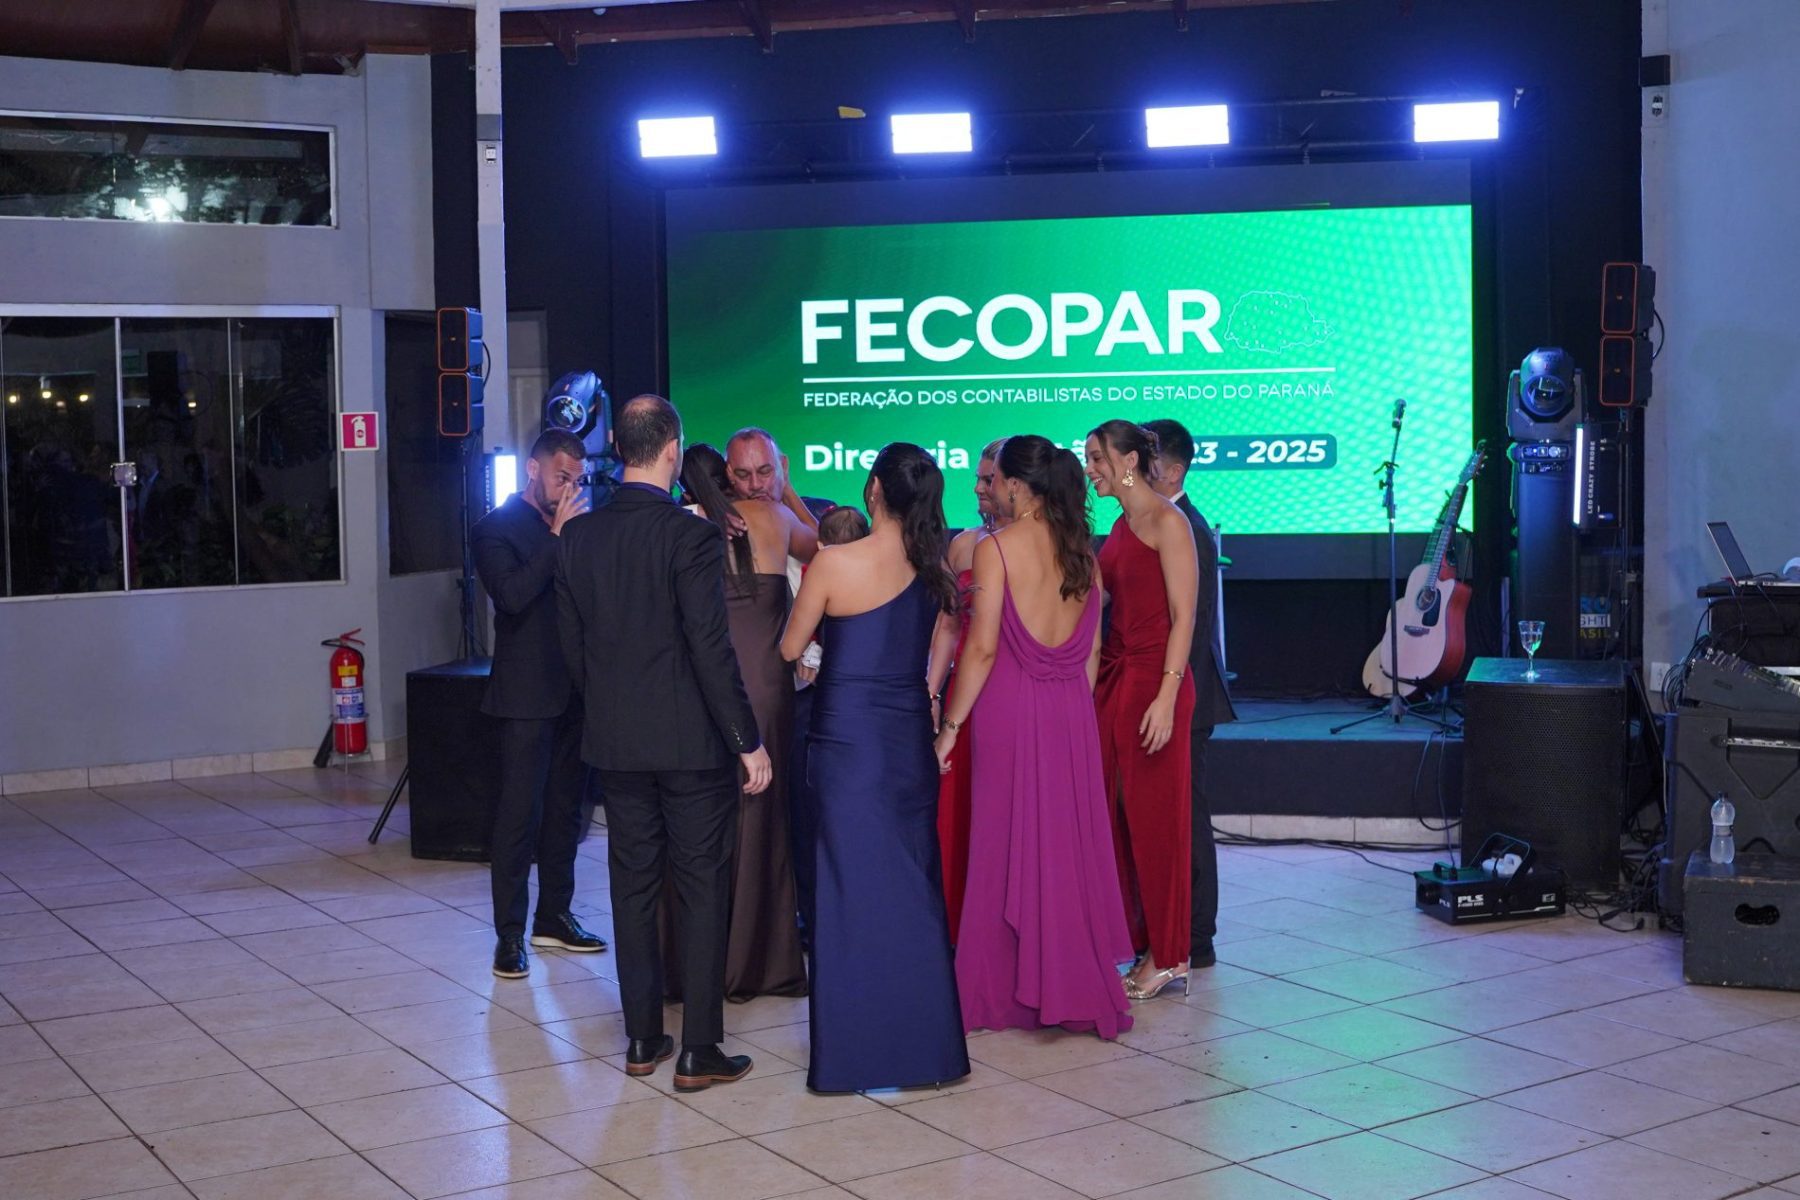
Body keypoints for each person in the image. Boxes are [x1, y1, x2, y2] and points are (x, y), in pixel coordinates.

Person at [556, 395, 771, 1093]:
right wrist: (746, 739)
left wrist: (609, 711)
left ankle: (643, 1036)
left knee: (632, 885)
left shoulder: (578, 537)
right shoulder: (691, 536)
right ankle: (700, 1048)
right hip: (689, 743)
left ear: (620, 448)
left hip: (616, 741)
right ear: (673, 450)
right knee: (701, 887)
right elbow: (710, 648)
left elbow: (572, 649)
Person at [780, 443, 970, 1093]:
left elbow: (790, 646)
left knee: (844, 891)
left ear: (873, 491)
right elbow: (942, 642)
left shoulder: (835, 563)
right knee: (913, 888)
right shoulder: (932, 567)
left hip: (845, 743)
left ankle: (852, 1058)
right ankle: (930, 1053)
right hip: (905, 741)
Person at [934, 435, 1135, 1038]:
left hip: (1008, 710)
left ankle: (1001, 992)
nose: (989, 488)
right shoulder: (1084, 555)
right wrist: (1070, 711)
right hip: (1070, 712)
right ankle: (1066, 984)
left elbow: (981, 648)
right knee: (1065, 850)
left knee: (1000, 847)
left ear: (1018, 486)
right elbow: (1092, 653)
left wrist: (949, 728)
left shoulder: (995, 549)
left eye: (995, 479)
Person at [669, 443, 815, 1001]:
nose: (756, 483)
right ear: (728, 472)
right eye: (746, 473)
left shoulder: (691, 522)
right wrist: (789, 491)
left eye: (765, 472)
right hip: (763, 689)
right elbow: (825, 545)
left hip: (707, 688)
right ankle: (754, 963)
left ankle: (698, 961)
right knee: (759, 820)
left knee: (705, 820)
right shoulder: (776, 516)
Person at [471, 429, 606, 980]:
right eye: (561, 476)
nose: (570, 487)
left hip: (577, 689)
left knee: (565, 812)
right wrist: (556, 537)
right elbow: (512, 596)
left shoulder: (579, 526)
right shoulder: (494, 528)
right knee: (517, 816)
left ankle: (554, 916)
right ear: (533, 470)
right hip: (526, 694)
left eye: (577, 479)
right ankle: (509, 935)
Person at [1085, 419, 1199, 1001]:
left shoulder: (1169, 522)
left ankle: (1170, 955)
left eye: (1097, 459)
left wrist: (1166, 697)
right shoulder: (1120, 524)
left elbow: (1184, 617)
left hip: (1156, 682)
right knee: (1117, 820)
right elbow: (1099, 596)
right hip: (1117, 679)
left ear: (1128, 461)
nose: (1090, 470)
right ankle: (1138, 941)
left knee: (1156, 824)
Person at [1142, 420, 1239, 970]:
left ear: (1174, 471)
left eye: (1145, 458)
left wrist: (1168, 694)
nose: (1133, 467)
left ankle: (1196, 936)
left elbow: (1192, 626)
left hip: (1183, 695)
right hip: (1163, 691)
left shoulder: (1186, 527)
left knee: (1187, 817)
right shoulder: (1153, 521)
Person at [925, 440, 1007, 938]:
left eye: (987, 479)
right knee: (957, 816)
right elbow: (948, 625)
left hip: (1012, 694)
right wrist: (932, 693)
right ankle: (959, 934)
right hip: (964, 696)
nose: (977, 488)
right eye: (976, 477)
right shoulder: (962, 545)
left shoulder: (1043, 546)